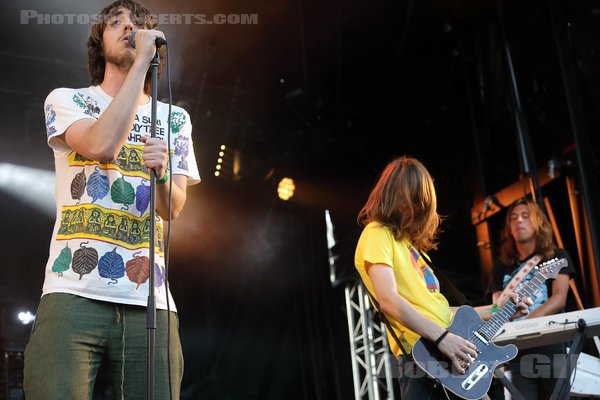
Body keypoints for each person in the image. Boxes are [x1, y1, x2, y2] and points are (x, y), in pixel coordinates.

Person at [24, 1, 201, 398]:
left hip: (149, 299)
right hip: (72, 291)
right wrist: (140, 64)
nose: (129, 28)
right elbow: (102, 145)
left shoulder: (175, 119)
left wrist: (160, 175)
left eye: (138, 24)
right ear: (98, 43)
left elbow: (171, 208)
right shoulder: (68, 100)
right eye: (117, 23)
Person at [354, 156, 531, 399]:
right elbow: (388, 300)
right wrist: (442, 338)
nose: (421, 209)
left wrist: (500, 308)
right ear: (401, 196)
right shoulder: (377, 233)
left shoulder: (412, 248)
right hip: (424, 357)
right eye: (417, 199)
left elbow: (443, 313)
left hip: (447, 352)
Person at [490, 198, 576, 400]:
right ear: (509, 228)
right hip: (514, 355)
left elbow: (559, 299)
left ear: (539, 222)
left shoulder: (555, 256)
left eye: (525, 216)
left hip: (551, 349)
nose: (519, 221)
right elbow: (495, 308)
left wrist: (526, 325)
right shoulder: (500, 266)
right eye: (513, 218)